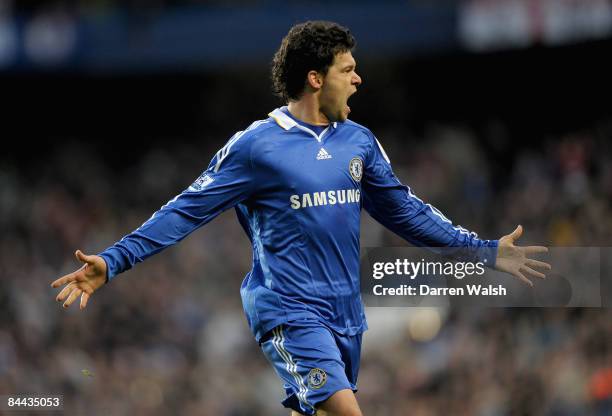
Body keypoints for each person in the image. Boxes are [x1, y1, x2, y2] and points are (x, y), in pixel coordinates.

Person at [51, 21, 551, 416]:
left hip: (346, 317)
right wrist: (113, 261)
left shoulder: (359, 142)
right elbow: (186, 209)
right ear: (316, 78)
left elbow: (407, 212)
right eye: (347, 69)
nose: (358, 79)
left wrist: (483, 251)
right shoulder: (256, 147)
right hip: (289, 313)